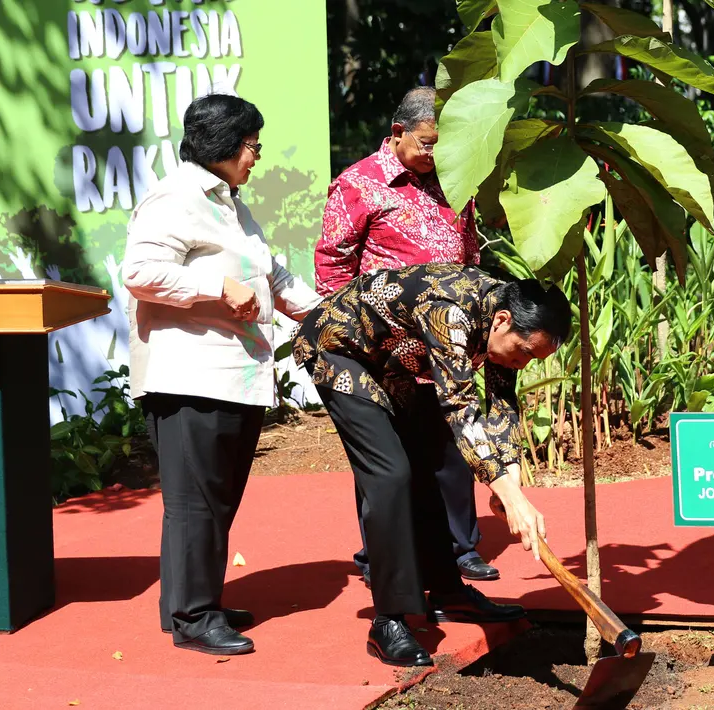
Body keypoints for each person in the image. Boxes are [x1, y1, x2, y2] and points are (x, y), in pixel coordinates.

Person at [123, 94, 323, 655]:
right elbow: (139, 271)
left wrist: (327, 310)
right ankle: (194, 616)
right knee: (196, 503)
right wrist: (214, 289)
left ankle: (189, 602)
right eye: (251, 143)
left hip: (234, 373)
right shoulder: (176, 196)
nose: (256, 154)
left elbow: (270, 272)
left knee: (215, 500)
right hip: (191, 374)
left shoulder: (230, 202)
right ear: (224, 144)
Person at [290, 265, 568, 667]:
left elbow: (502, 402)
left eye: (535, 358)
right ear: (503, 322)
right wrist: (504, 490)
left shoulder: (501, 319)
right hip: (341, 349)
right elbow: (458, 404)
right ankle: (388, 621)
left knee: (430, 464)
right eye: (525, 352)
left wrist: (512, 483)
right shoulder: (451, 311)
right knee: (389, 475)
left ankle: (447, 592)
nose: (525, 363)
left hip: (390, 361)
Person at [314, 88, 498, 584]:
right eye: (428, 143)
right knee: (386, 458)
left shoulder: (454, 180)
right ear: (398, 134)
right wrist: (359, 331)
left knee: (452, 446)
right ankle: (384, 556)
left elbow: (470, 253)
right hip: (384, 347)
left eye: (445, 143)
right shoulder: (359, 184)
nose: (436, 153)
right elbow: (332, 264)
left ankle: (459, 550)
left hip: (447, 341)